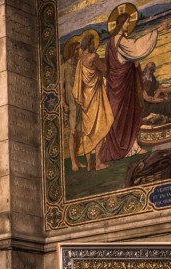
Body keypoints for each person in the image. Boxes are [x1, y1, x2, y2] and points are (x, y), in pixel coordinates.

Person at [99, 5, 167, 163]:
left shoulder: (110, 43)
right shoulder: (121, 40)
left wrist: (132, 64)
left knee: (119, 115)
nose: (129, 25)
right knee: (127, 114)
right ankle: (129, 147)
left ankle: (130, 146)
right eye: (127, 22)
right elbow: (137, 48)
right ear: (121, 23)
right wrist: (158, 30)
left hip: (115, 85)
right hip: (123, 85)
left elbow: (112, 65)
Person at [72, 30, 114, 171]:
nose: (95, 46)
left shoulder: (80, 61)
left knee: (88, 132)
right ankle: (98, 163)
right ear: (91, 44)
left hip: (86, 100)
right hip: (96, 97)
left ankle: (89, 164)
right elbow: (104, 69)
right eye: (94, 43)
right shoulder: (93, 56)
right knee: (101, 128)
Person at [60, 36, 82, 171]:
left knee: (79, 132)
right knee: (73, 132)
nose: (79, 51)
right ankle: (73, 162)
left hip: (80, 101)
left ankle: (78, 160)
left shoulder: (79, 64)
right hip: (71, 102)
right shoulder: (64, 66)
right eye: (78, 49)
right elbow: (61, 87)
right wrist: (63, 103)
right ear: (72, 50)